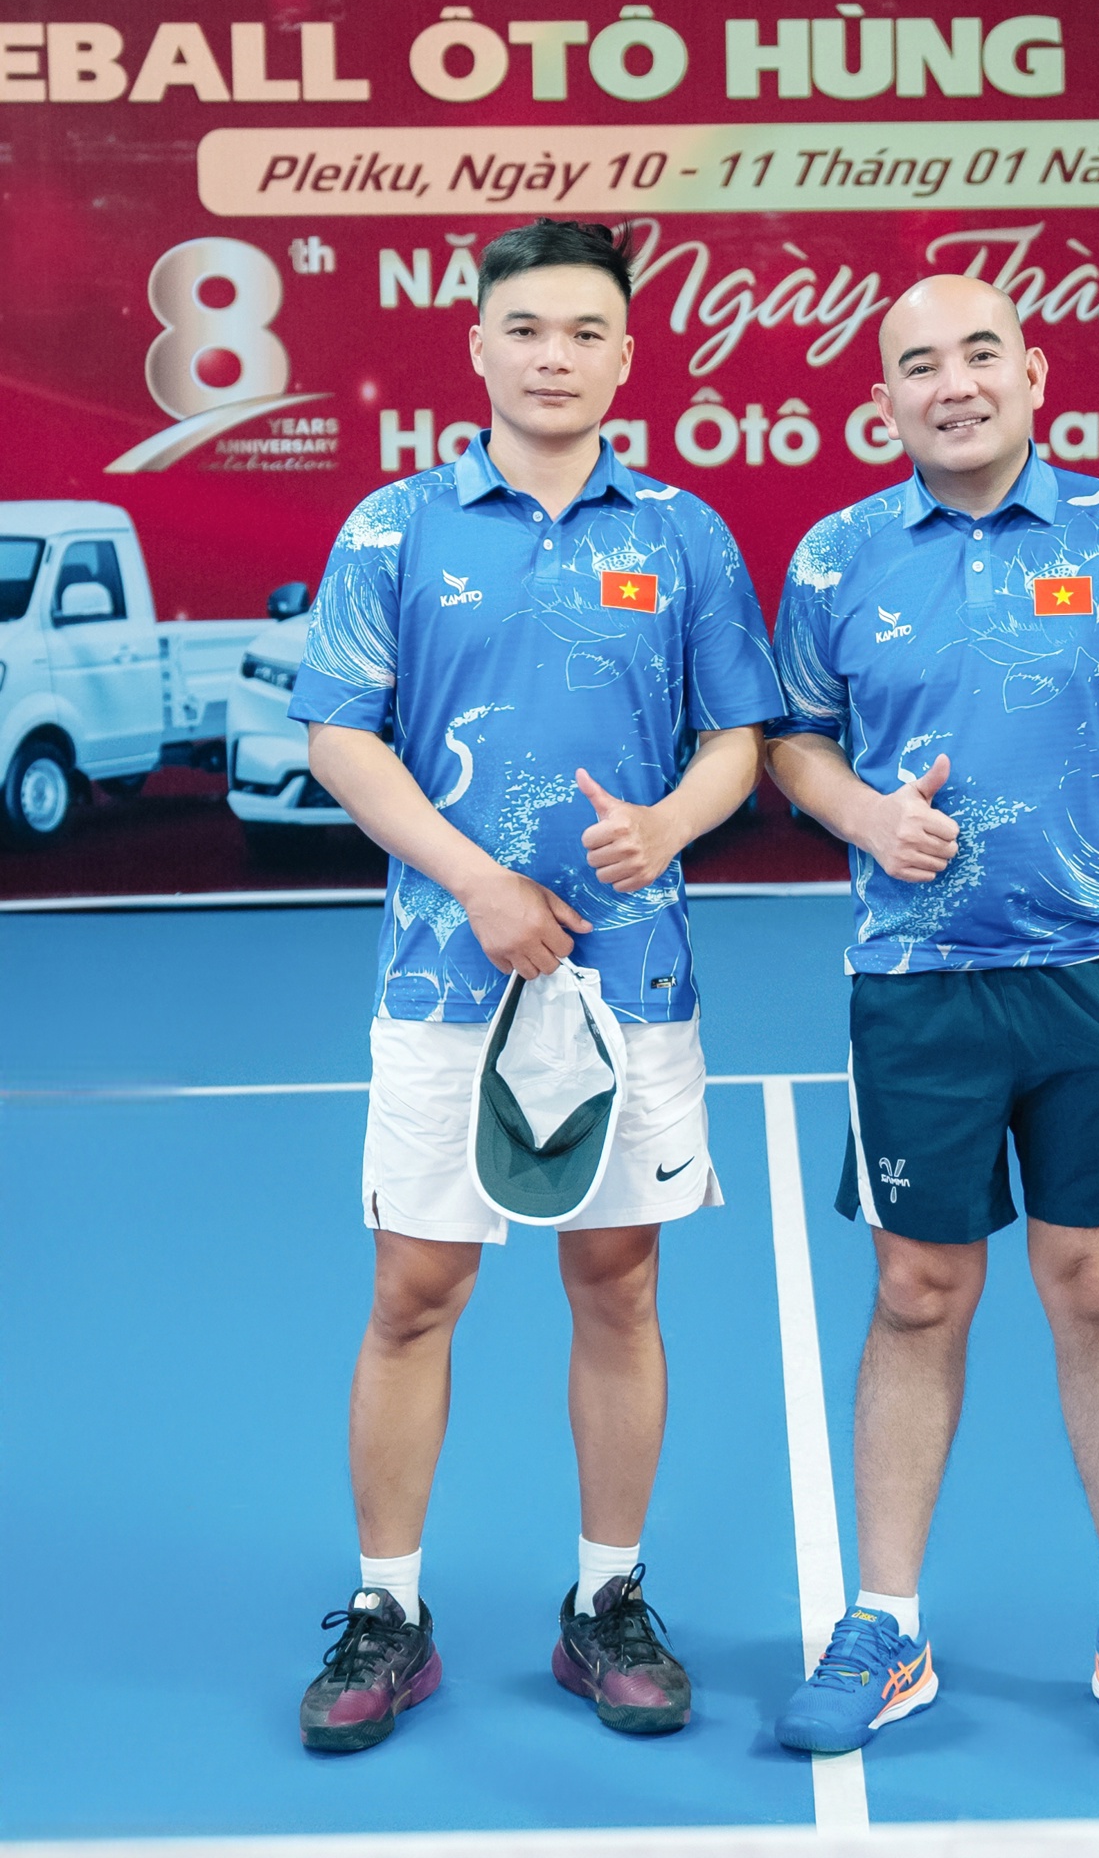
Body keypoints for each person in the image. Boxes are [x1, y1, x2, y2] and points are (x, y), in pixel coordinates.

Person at [287, 218, 781, 1753]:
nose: (553, 356)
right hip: (446, 974)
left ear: (625, 356)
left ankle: (606, 1603)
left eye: (583, 331)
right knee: (414, 1295)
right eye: (525, 329)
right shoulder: (395, 528)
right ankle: (387, 1613)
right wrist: (482, 886)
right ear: (479, 347)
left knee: (618, 1284)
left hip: (632, 980)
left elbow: (742, 740)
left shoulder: (684, 535)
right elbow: (341, 737)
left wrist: (672, 824)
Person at [766, 272, 1099, 1760]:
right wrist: (863, 813)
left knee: (1097, 1281)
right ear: (883, 403)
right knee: (919, 1290)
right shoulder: (837, 556)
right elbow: (792, 746)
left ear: (1035, 374)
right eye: (920, 365)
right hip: (918, 989)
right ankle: (887, 1626)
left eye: (981, 353)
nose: (954, 383)